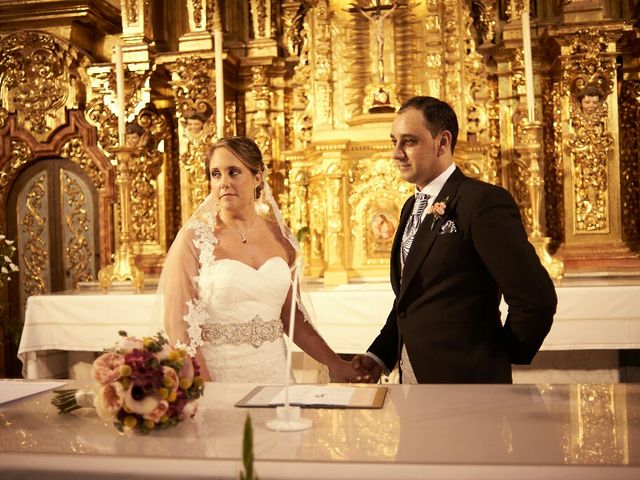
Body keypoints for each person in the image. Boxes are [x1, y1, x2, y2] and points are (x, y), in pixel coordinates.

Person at [352, 96, 557, 384]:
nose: (396, 153)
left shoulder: (482, 202)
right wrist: (379, 356)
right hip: (413, 384)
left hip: (468, 383)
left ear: (442, 142)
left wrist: (498, 354)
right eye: (393, 141)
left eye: (409, 141)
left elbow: (536, 298)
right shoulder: (411, 207)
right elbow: (410, 300)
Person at [160, 136, 358, 383]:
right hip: (219, 377)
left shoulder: (281, 238)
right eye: (215, 174)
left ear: (258, 176)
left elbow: (292, 317)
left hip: (276, 376)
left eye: (234, 172)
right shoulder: (193, 240)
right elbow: (179, 328)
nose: (224, 183)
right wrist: (205, 389)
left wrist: (335, 362)